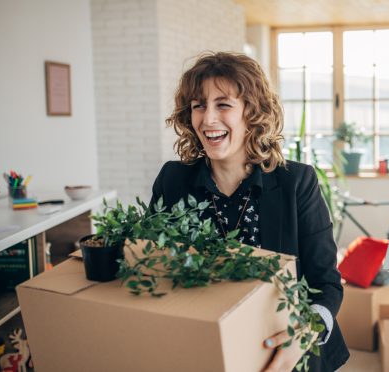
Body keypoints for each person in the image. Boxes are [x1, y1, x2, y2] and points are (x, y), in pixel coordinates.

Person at [149, 52, 349, 372]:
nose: (208, 118)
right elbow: (153, 268)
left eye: (223, 104)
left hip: (286, 351)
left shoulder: (296, 182)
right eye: (199, 105)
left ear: (252, 113)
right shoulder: (173, 180)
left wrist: (304, 336)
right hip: (205, 349)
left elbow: (327, 285)